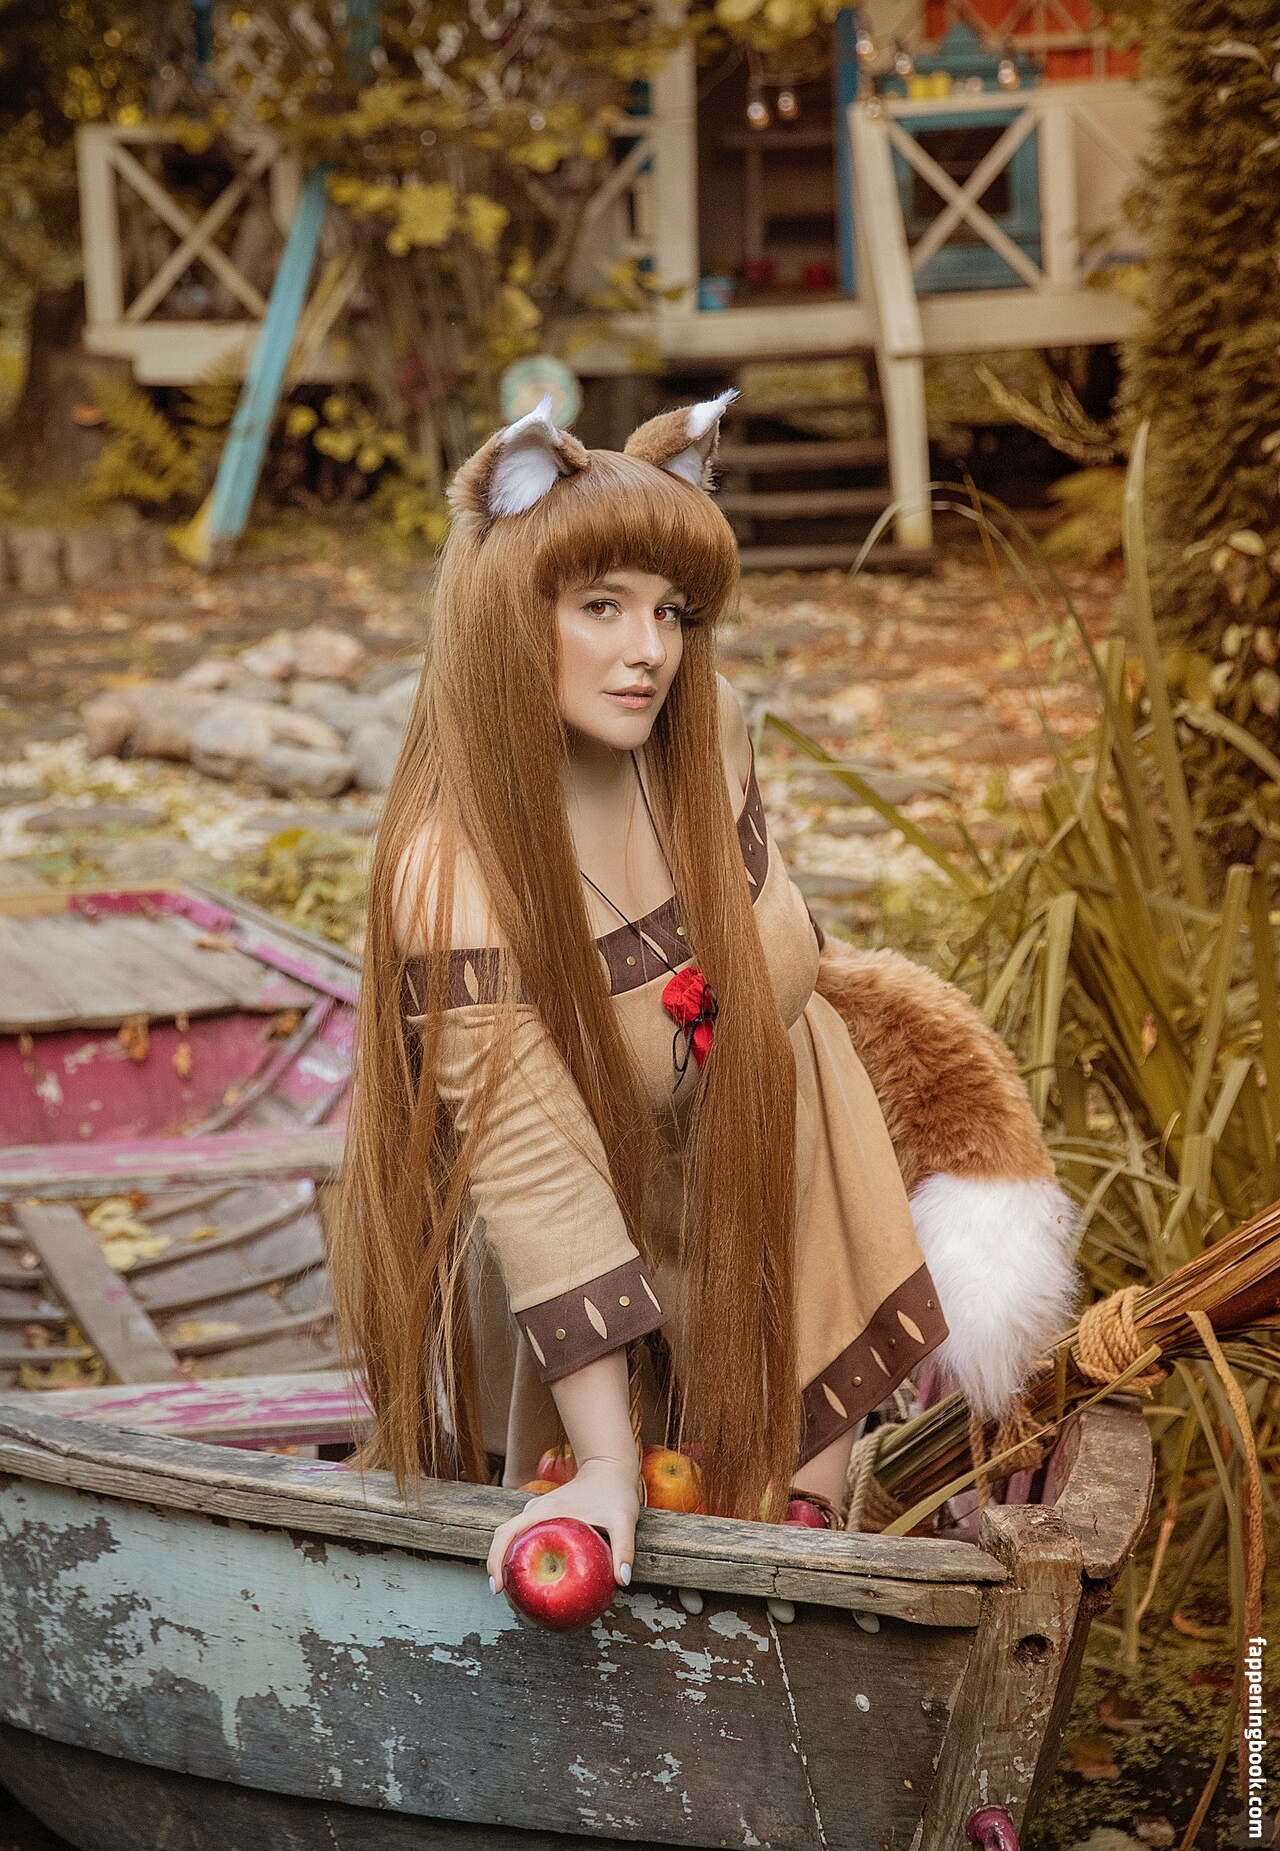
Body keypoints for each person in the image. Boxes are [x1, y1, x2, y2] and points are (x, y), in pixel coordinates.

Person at [333, 392, 1078, 1598]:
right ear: (505, 608)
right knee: (625, 1529)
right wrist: (605, 1466)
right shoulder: (450, 873)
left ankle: (808, 1500)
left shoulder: (704, 727)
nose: (648, 650)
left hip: (784, 1191)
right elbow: (537, 1175)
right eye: (600, 607)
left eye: (671, 611)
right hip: (588, 1254)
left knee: (794, 1547)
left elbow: (787, 975)